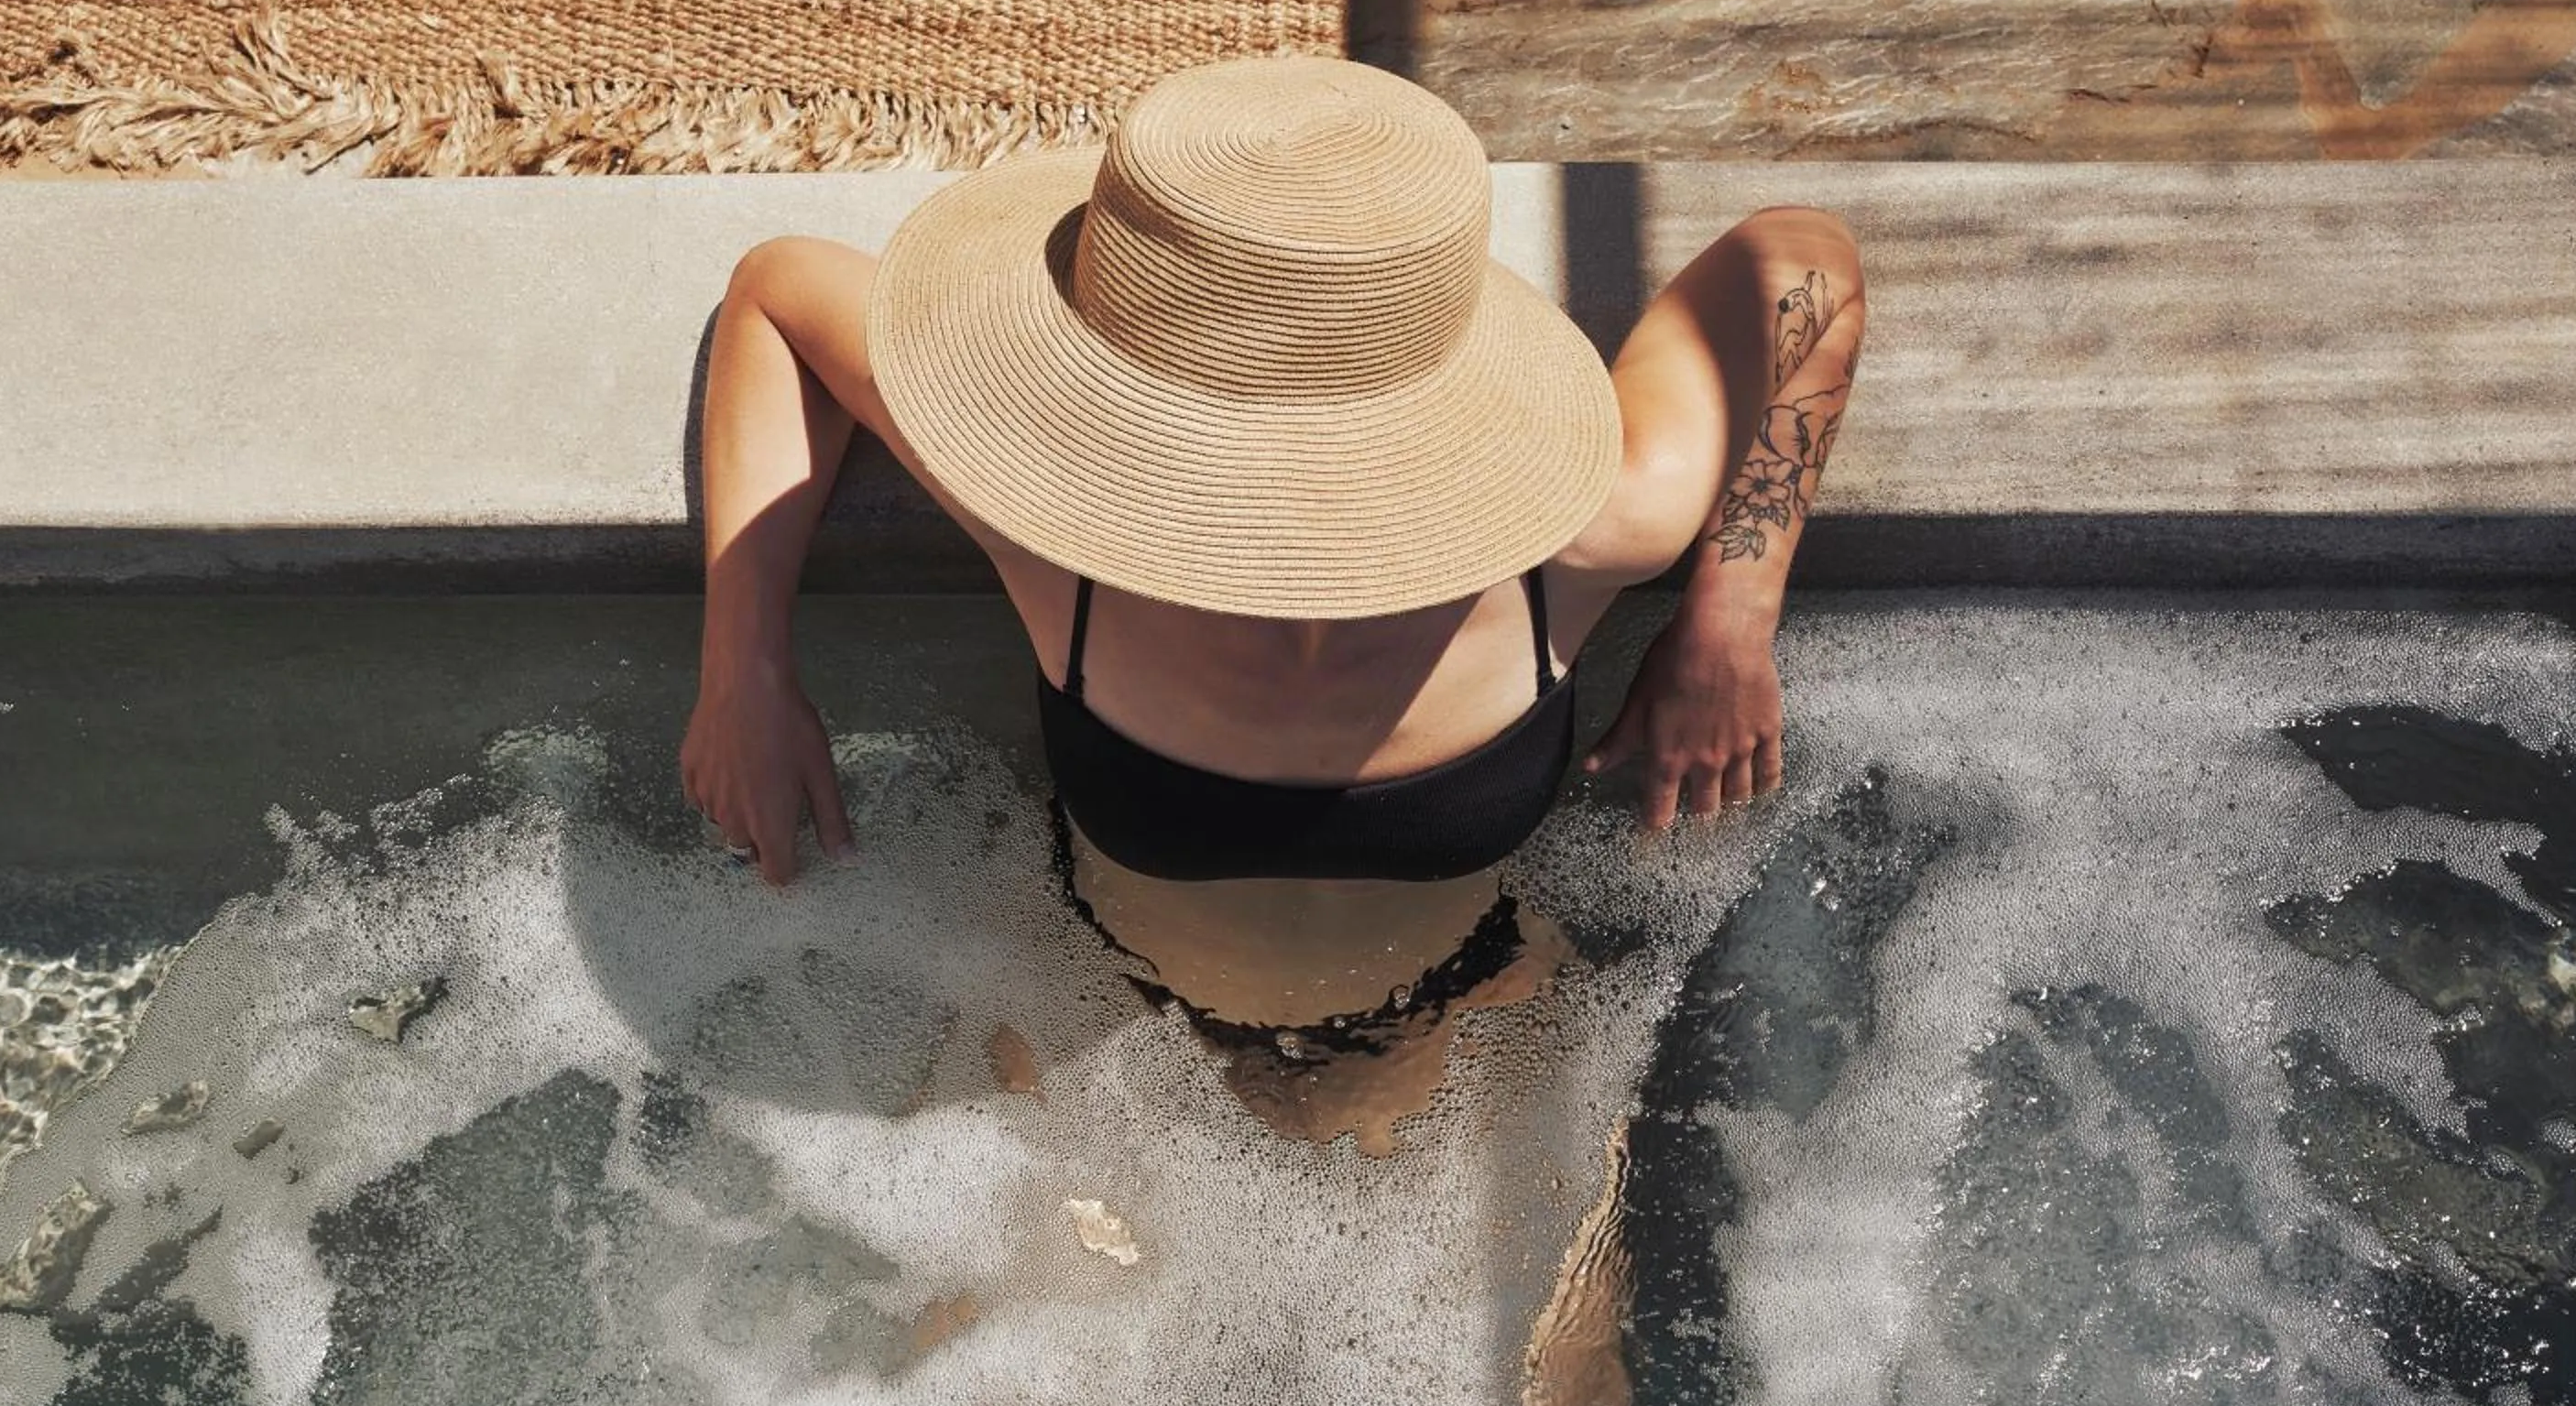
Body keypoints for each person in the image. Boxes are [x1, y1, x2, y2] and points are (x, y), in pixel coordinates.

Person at [680, 52, 1864, 901]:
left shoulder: (1049, 528)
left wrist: (1728, 627)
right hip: (1116, 1097)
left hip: (1456, 1064)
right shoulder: (1577, 553)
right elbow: (776, 295)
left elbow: (1806, 265)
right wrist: (743, 669)